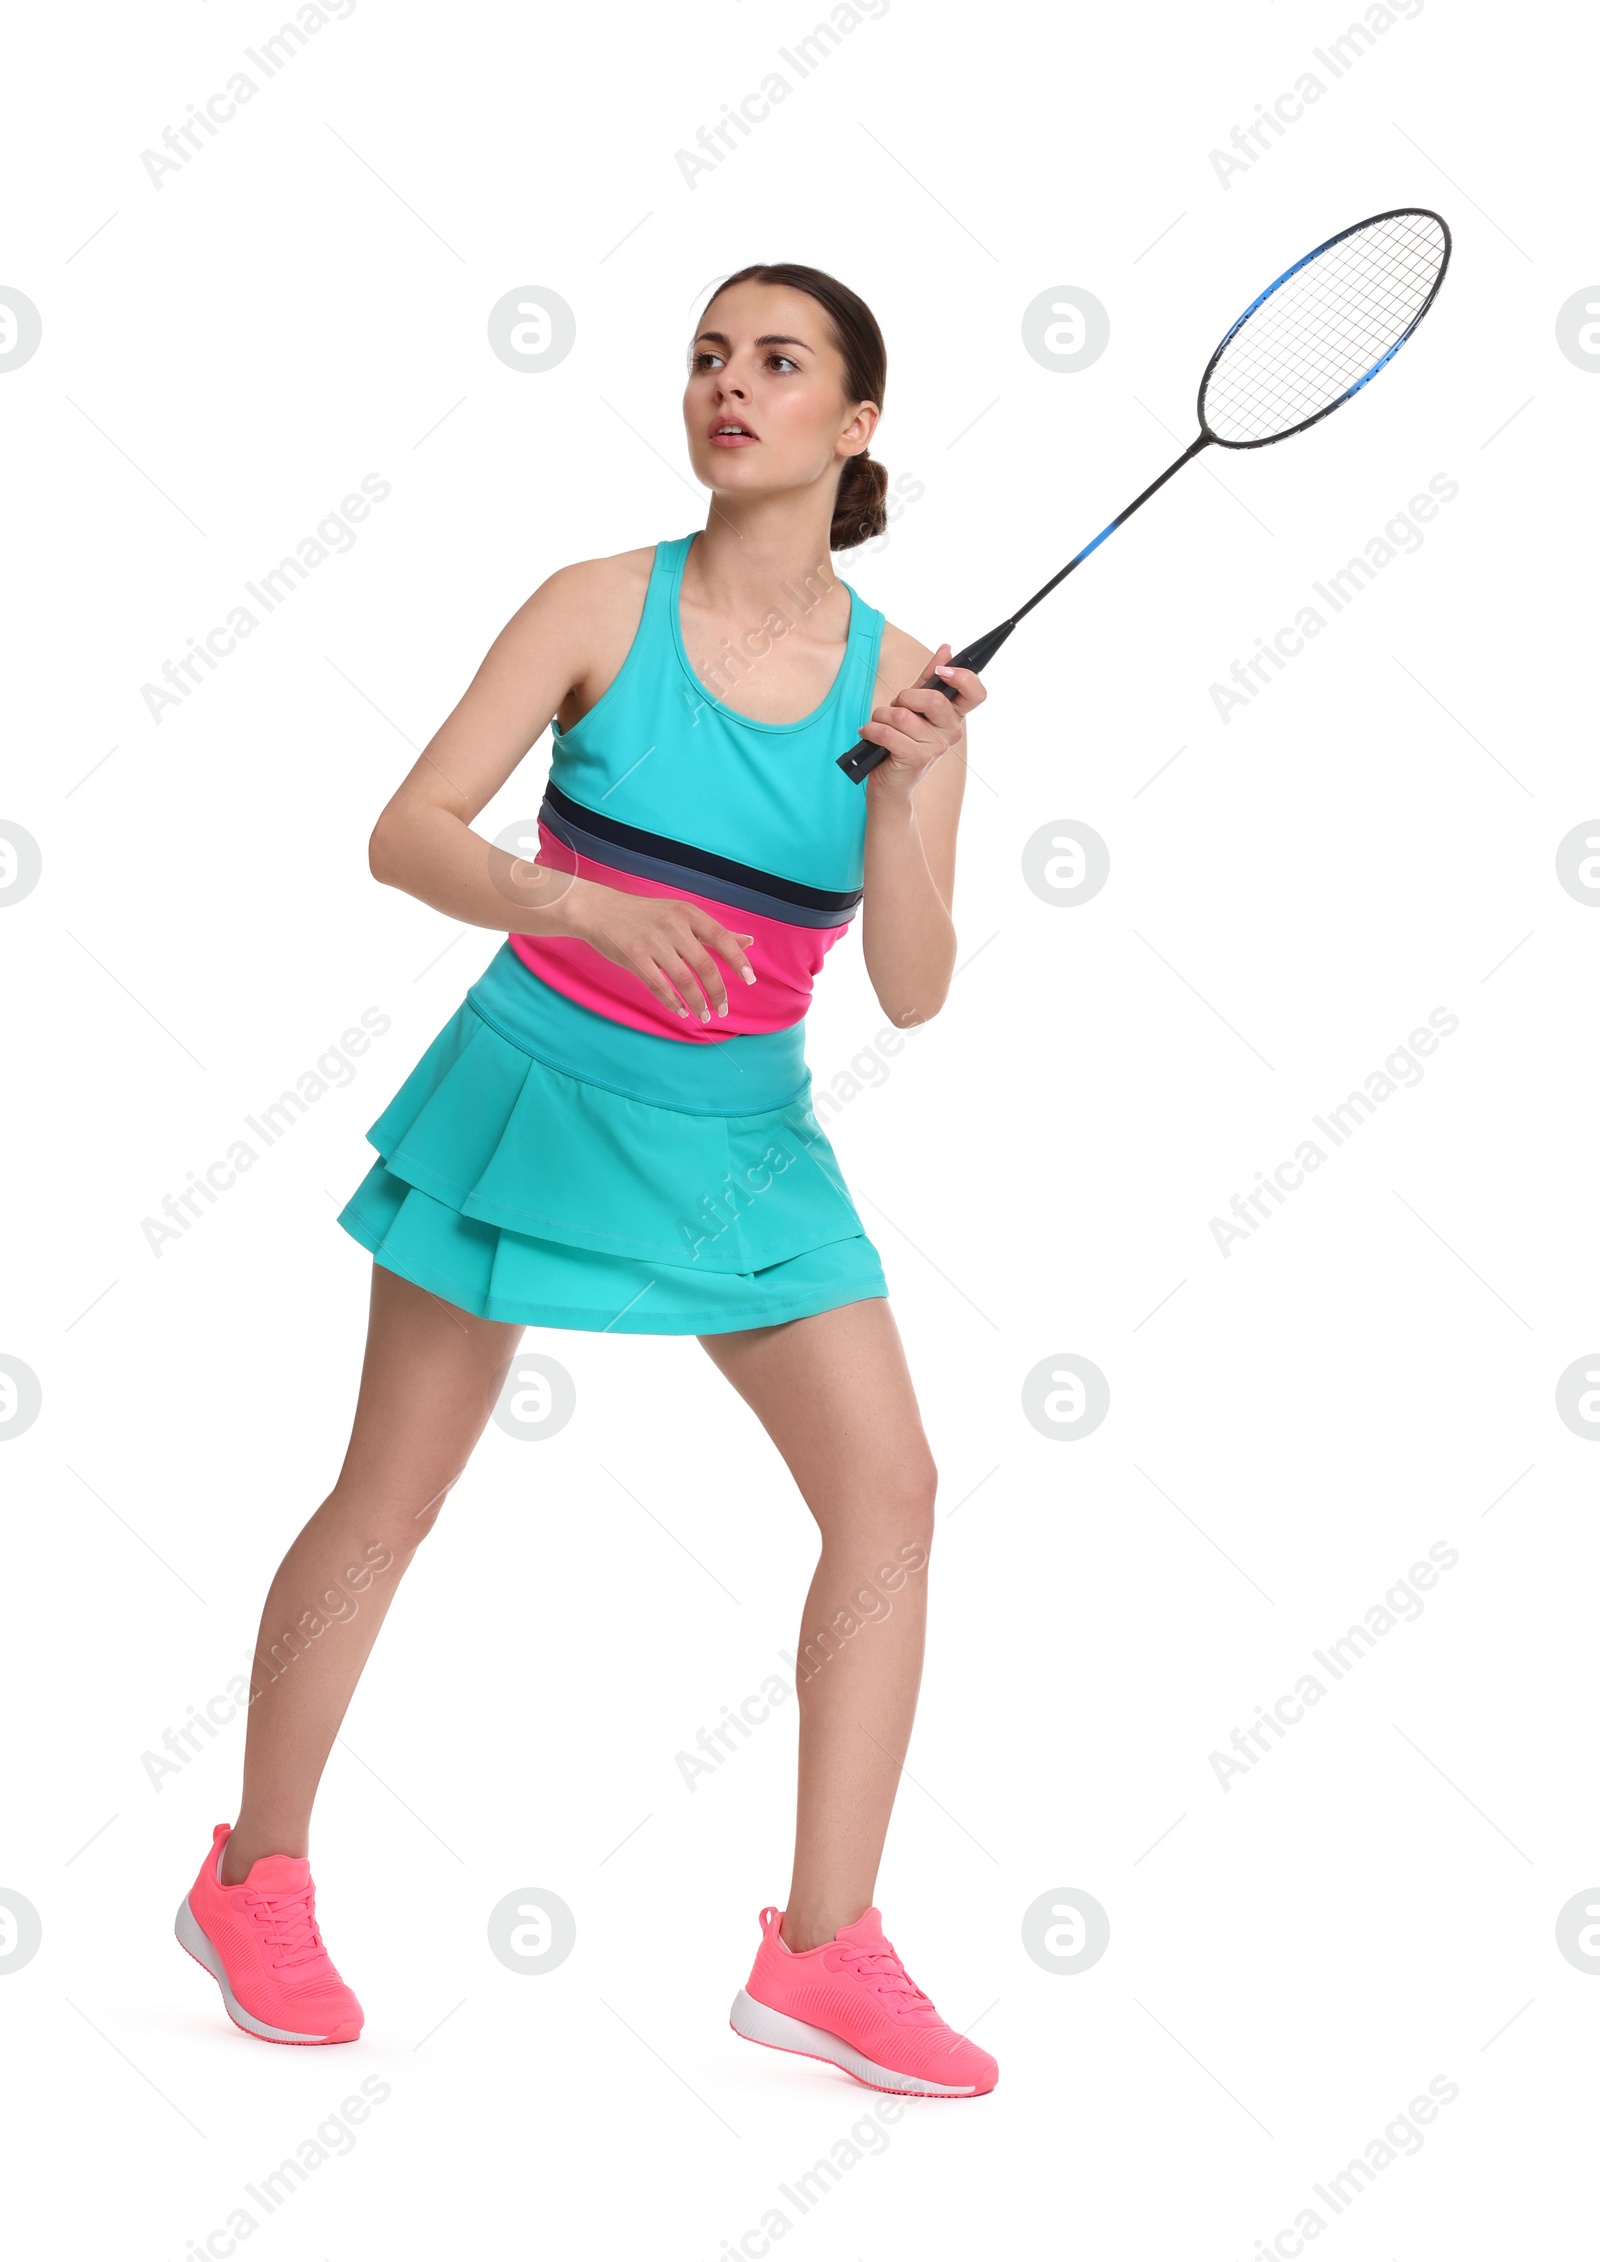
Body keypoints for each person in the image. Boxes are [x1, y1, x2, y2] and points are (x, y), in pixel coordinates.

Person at [173, 261, 996, 2098]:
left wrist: (899, 801)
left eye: (781, 363)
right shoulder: (593, 604)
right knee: (392, 1492)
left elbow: (919, 994)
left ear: (857, 425)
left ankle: (823, 1949)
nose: (731, 384)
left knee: (892, 1489)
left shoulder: (912, 687)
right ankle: (253, 1876)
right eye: (710, 354)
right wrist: (572, 899)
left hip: (746, 1138)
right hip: (536, 1087)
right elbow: (404, 831)